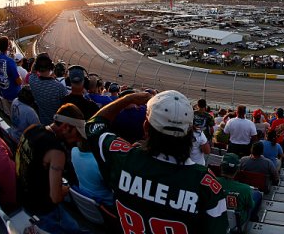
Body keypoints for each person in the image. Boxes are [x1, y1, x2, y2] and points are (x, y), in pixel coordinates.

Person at [85, 90, 228, 234]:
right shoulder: (206, 183)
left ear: (146, 127)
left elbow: (94, 125)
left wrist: (127, 99)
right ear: (190, 132)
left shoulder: (123, 157)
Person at [15, 103, 87, 233]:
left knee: (73, 226)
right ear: (65, 127)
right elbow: (56, 197)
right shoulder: (57, 152)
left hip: (25, 200)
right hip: (44, 209)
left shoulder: (31, 129)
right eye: (77, 133)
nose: (77, 139)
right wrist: (65, 189)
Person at [217, 153, 262, 225]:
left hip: (214, 218)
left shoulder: (210, 183)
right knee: (257, 194)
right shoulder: (245, 189)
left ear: (221, 166)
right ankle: (253, 219)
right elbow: (251, 205)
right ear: (238, 170)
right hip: (237, 223)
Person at [29, 53, 68, 125]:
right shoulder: (59, 87)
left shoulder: (32, 81)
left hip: (43, 122)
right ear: (52, 67)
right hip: (57, 124)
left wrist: (38, 59)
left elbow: (32, 71)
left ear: (37, 67)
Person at [0, 36, 22, 110]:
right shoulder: (10, 61)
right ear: (8, 46)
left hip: (4, 93)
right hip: (14, 95)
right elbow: (18, 81)